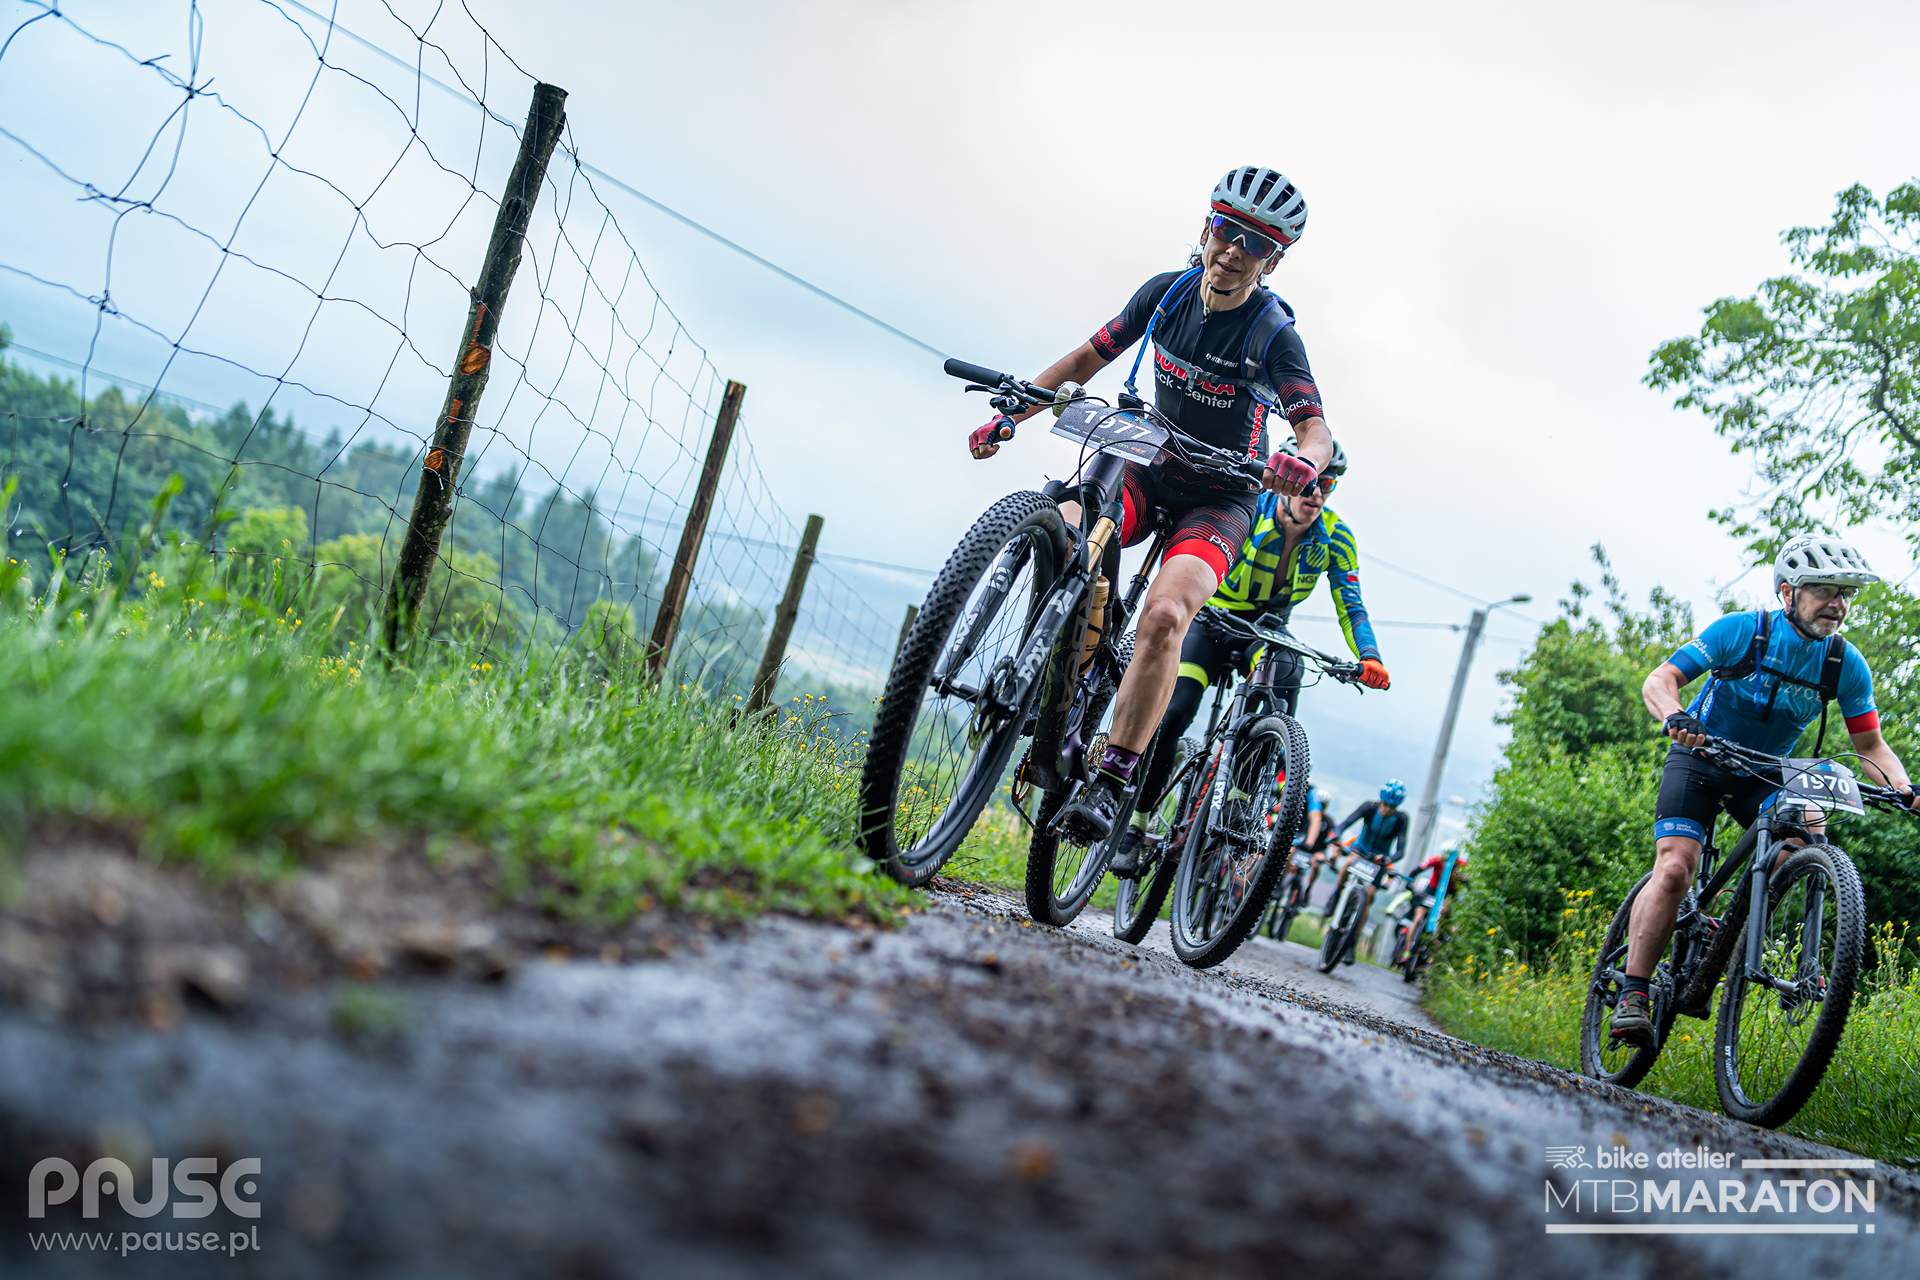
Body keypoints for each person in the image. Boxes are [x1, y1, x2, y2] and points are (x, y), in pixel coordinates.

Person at [967, 166, 1335, 845]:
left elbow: (1315, 430)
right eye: (1225, 230)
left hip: (1221, 495)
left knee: (1166, 614)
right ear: (1206, 227)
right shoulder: (1164, 294)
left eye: (1254, 244)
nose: (1232, 251)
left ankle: (1113, 778)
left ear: (1274, 260)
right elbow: (1085, 359)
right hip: (1147, 462)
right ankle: (1059, 670)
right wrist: (1013, 413)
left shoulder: (1272, 334)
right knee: (1066, 528)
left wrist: (1302, 464)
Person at [1610, 534, 1920, 1047]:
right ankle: (1634, 991)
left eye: (1845, 594)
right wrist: (1676, 716)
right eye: (1824, 590)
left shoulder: (1844, 664)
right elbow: (1659, 680)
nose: (1838, 604)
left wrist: (1905, 788)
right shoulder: (1742, 631)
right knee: (1676, 867)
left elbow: (1870, 745)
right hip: (1701, 757)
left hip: (1767, 772)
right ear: (1787, 593)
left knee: (1808, 833)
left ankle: (1745, 932)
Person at [1110, 445, 1389, 875]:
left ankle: (1241, 797)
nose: (1317, 494)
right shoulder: (1253, 508)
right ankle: (1138, 821)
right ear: (1290, 482)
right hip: (1211, 619)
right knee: (1177, 709)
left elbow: (1350, 604)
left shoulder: (1336, 537)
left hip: (1266, 630)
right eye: (1310, 484)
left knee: (1287, 672)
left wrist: (1369, 656)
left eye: (1328, 486)